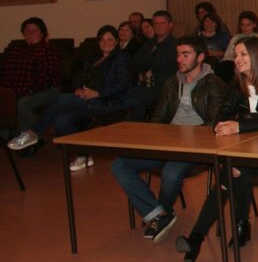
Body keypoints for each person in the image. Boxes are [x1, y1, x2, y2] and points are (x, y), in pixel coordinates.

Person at [175, 35, 258, 262]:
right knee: (234, 169)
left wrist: (240, 126)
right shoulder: (237, 83)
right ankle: (228, 229)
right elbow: (225, 109)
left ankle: (203, 236)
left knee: (232, 170)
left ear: (257, 56)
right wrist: (219, 124)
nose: (237, 59)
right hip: (244, 150)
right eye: (236, 55)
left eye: (243, 54)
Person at [110, 36, 228, 243]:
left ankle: (161, 214)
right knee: (120, 165)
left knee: (171, 173)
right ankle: (159, 214)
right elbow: (158, 120)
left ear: (200, 57)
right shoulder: (171, 83)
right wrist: (161, 140)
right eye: (178, 54)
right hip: (167, 144)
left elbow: (212, 126)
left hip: (195, 149)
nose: (180, 59)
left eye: (185, 54)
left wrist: (181, 138)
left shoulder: (215, 85)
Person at [17, 25, 132, 171]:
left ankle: (34, 132)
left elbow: (122, 84)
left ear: (116, 41)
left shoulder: (121, 58)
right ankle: (82, 156)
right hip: (85, 98)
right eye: (102, 40)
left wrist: (97, 93)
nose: (105, 43)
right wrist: (77, 89)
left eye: (109, 39)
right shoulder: (93, 58)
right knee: (61, 120)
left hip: (107, 101)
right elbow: (78, 76)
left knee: (59, 99)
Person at [4, 17, 62, 151]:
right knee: (6, 100)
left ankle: (34, 137)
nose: (30, 34)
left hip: (46, 90)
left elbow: (47, 75)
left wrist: (28, 91)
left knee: (23, 103)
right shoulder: (17, 49)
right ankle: (9, 137)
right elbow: (7, 72)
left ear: (42, 33)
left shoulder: (47, 49)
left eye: (34, 31)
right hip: (18, 90)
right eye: (27, 31)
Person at [125, 10, 177, 120]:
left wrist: (146, 62)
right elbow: (135, 62)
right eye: (156, 23)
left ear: (170, 25)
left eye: (162, 23)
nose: (159, 26)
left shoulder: (174, 45)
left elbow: (159, 64)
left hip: (160, 87)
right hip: (141, 85)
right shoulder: (150, 43)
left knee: (134, 101)